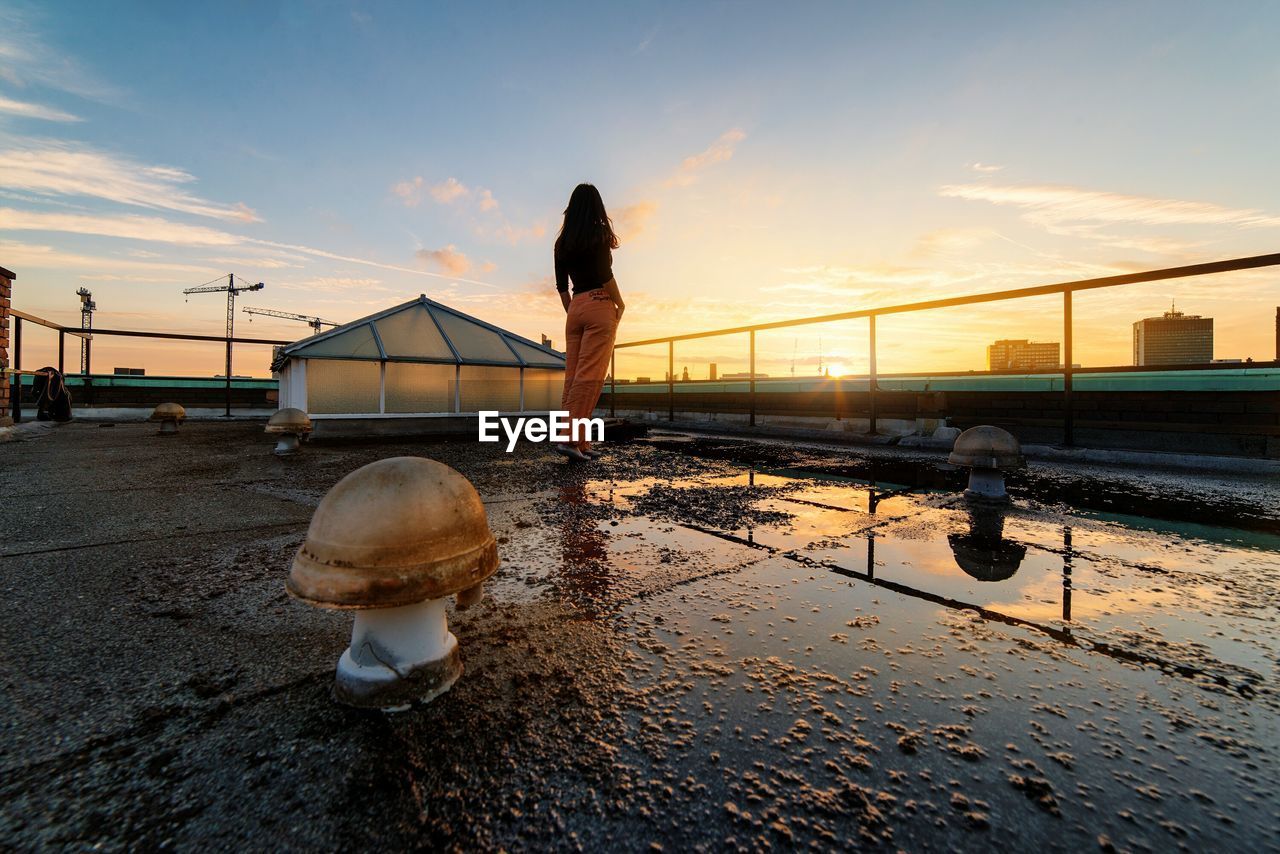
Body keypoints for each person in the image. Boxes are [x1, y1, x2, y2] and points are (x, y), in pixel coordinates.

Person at [553, 183, 625, 462]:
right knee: (591, 377)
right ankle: (570, 440)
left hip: (575, 308)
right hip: (598, 302)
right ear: (597, 207)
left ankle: (580, 442)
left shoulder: (562, 243)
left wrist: (575, 310)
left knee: (573, 379)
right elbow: (604, 274)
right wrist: (620, 303)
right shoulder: (598, 234)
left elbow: (561, 287)